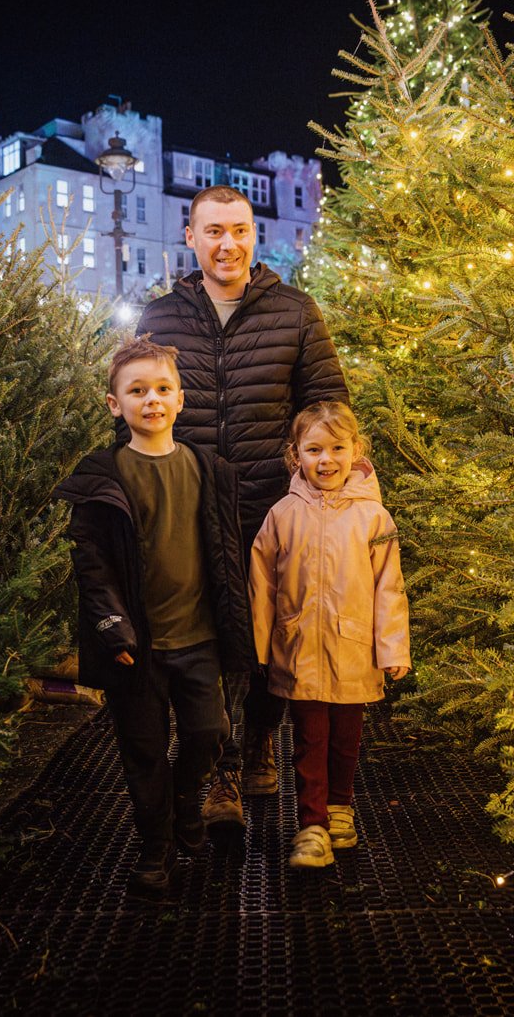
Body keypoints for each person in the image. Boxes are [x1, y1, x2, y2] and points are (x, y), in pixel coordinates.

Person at [136, 184, 349, 830]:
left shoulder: (295, 313)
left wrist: (337, 492)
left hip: (274, 505)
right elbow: (137, 410)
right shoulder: (162, 319)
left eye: (239, 230)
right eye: (213, 231)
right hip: (192, 506)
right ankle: (221, 770)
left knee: (269, 640)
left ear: (254, 235)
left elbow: (328, 407)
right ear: (191, 237)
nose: (227, 243)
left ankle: (260, 741)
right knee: (206, 642)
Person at [53, 337, 255, 894]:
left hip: (199, 637)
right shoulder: (103, 477)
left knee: (208, 733)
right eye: (136, 391)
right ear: (115, 405)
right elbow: (90, 564)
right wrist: (112, 626)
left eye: (162, 389)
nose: (151, 400)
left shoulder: (207, 469)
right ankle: (155, 845)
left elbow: (224, 551)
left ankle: (188, 800)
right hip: (136, 647)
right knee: (142, 750)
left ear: (181, 399)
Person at [249, 402, 410, 869]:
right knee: (308, 737)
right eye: (314, 449)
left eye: (337, 448)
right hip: (299, 649)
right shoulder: (282, 515)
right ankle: (312, 826)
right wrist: (261, 646)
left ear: (355, 451)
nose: (326, 460)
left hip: (355, 648)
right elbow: (263, 584)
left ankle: (340, 808)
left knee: (346, 738)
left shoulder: (374, 518)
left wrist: (393, 648)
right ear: (295, 455)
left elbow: (389, 586)